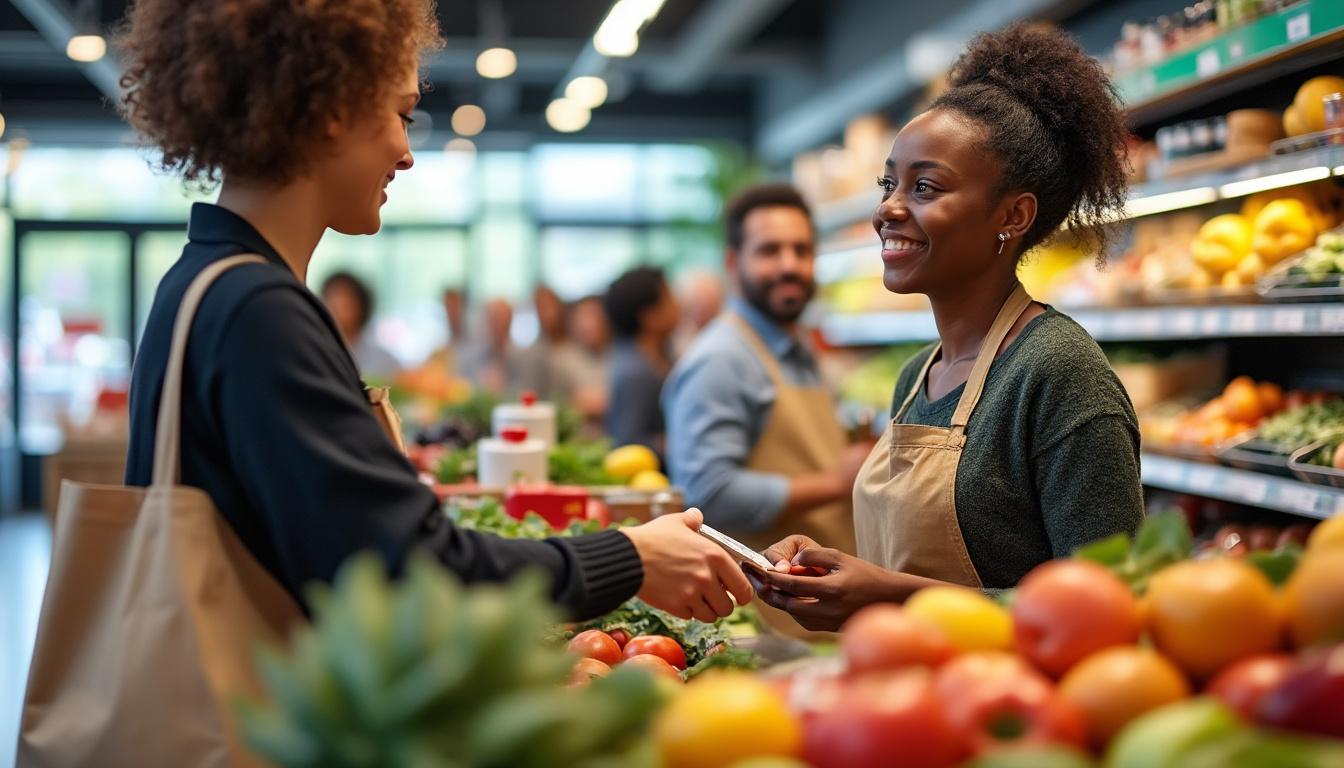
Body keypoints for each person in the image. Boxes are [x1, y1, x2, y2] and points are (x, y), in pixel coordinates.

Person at [120, 0, 751, 625]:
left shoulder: (203, 282)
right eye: (401, 113)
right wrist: (630, 556)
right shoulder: (258, 313)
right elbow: (409, 573)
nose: (406, 151)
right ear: (333, 107)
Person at [750, 24, 1144, 631]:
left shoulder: (1060, 375)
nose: (888, 208)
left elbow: (1109, 611)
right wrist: (837, 574)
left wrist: (894, 597)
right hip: (907, 696)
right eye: (890, 184)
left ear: (1012, 216)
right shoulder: (916, 377)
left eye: (925, 187)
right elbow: (918, 570)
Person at [663, 184, 870, 556]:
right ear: (732, 264)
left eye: (801, 250)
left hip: (809, 598)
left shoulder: (796, 347)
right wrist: (835, 484)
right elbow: (707, 493)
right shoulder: (720, 359)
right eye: (769, 250)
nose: (789, 265)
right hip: (759, 604)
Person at [603, 267, 679, 455]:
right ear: (649, 316)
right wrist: (680, 441)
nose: (678, 304)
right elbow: (628, 442)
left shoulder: (657, 356)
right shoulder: (637, 372)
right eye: (669, 298)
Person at [457, 297, 549, 397]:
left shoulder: (525, 359)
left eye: (500, 318)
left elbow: (529, 391)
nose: (496, 324)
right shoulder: (470, 359)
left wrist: (502, 389)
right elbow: (463, 390)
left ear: (510, 319)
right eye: (492, 318)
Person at [320, 271, 401, 380]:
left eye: (345, 304)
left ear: (361, 307)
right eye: (331, 301)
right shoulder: (318, 352)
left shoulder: (383, 359)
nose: (337, 309)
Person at [549, 294, 611, 425]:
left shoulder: (618, 355)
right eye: (583, 316)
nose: (588, 324)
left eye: (594, 315)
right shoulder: (561, 358)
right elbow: (556, 404)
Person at [671, 268, 725, 356]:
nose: (703, 315)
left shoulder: (724, 333)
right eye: (696, 305)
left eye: (710, 308)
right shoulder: (678, 341)